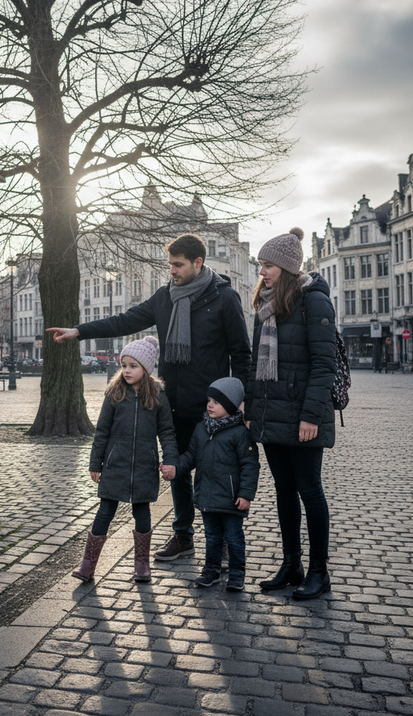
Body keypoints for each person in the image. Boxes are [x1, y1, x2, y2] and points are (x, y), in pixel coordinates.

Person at [48, 234, 251, 563]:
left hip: (214, 408)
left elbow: (242, 355)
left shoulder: (224, 298)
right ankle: (183, 536)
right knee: (179, 473)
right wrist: (79, 331)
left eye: (178, 265)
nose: (172, 270)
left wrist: (241, 403)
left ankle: (225, 540)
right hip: (174, 404)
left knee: (217, 473)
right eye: (169, 264)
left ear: (198, 263)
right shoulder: (164, 298)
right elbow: (124, 320)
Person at [244, 227, 336, 600]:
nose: (262, 272)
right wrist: (251, 409)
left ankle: (319, 570)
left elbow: (323, 364)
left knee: (309, 491)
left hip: (303, 415)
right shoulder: (265, 304)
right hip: (270, 413)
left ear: (286, 266)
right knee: (284, 491)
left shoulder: (314, 301)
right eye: (261, 265)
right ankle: (291, 563)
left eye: (268, 265)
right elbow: (255, 364)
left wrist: (311, 416)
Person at [72, 337, 178, 584]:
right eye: (124, 365)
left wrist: (170, 459)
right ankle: (87, 564)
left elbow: (167, 432)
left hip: (144, 465)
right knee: (105, 511)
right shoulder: (115, 392)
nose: (127, 371)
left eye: (133, 366)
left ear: (146, 368)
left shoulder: (159, 395)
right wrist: (95, 463)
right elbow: (102, 431)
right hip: (114, 464)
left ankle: (142, 564)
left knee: (142, 513)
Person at [161, 377, 259, 591]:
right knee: (212, 537)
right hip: (207, 497)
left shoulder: (241, 433)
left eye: (217, 401)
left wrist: (246, 494)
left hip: (232, 500)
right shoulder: (201, 429)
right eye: (209, 400)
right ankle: (210, 571)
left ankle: (236, 575)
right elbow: (191, 456)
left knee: (234, 538)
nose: (210, 405)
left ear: (231, 406)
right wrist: (176, 468)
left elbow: (250, 465)